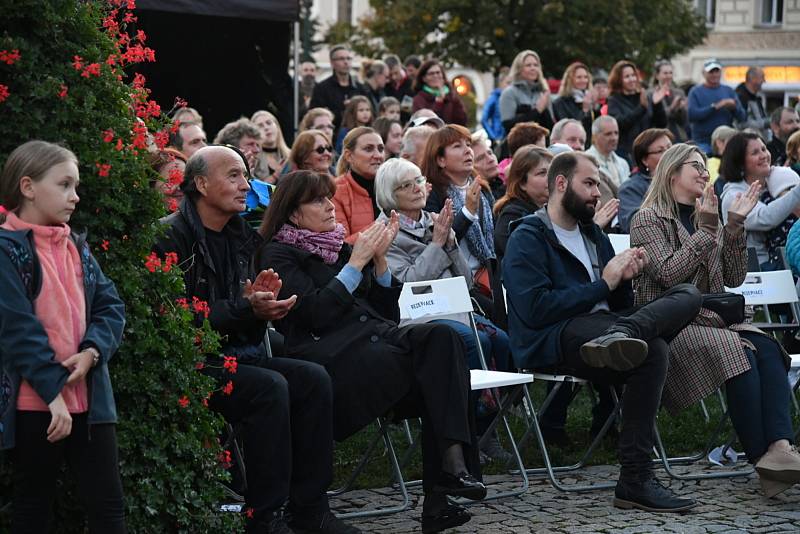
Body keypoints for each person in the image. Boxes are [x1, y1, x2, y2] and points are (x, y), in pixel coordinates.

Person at [254, 171, 486, 532]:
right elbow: (314, 315)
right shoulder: (279, 253)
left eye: (330, 198)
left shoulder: (336, 247)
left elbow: (388, 312)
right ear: (293, 214)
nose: (330, 207)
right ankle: (443, 490)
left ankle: (452, 470)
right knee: (438, 377)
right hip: (333, 359)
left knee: (444, 339)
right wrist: (355, 264)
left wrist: (379, 265)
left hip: (379, 347)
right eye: (318, 201)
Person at [152, 145, 357, 534]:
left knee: (312, 379)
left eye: (246, 174)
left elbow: (244, 320)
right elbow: (174, 321)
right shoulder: (167, 238)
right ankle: (265, 516)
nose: (246, 184)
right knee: (270, 387)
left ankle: (310, 507)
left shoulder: (242, 238)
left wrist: (263, 310)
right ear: (199, 184)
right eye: (234, 175)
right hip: (187, 365)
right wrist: (246, 309)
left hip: (236, 354)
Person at [503, 150, 702, 512]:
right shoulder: (528, 236)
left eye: (598, 184)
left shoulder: (592, 233)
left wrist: (627, 278)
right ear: (561, 184)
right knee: (652, 349)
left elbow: (615, 299)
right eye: (590, 183)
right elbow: (535, 311)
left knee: (689, 294)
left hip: (605, 328)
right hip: (555, 336)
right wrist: (604, 285)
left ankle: (623, 334)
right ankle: (636, 479)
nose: (598, 192)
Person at [630, 143, 800, 498]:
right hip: (669, 324)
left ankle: (781, 447)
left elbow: (733, 278)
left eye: (705, 166)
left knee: (768, 348)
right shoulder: (648, 218)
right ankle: (762, 457)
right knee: (740, 351)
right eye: (695, 166)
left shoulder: (702, 214)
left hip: (709, 320)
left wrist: (734, 227)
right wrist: (708, 232)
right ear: (672, 172)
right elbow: (666, 274)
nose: (705, 172)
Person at [0, 140, 127, 532]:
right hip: (34, 406)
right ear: (28, 187)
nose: (75, 197)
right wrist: (53, 394)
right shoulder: (7, 250)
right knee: (33, 509)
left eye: (76, 186)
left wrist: (92, 352)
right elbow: (18, 330)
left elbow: (111, 307)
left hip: (90, 403)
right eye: (65, 185)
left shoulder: (75, 245)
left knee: (109, 510)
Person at [374, 157, 513, 463]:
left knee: (501, 340)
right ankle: (466, 431)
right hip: (420, 318)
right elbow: (406, 285)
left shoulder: (436, 221)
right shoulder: (386, 233)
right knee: (477, 342)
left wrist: (449, 243)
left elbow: (465, 282)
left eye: (419, 181)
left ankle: (486, 428)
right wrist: (437, 245)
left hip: (454, 308)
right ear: (389, 193)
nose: (417, 188)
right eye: (406, 184)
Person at [421, 125, 497, 313]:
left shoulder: (482, 188)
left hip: (490, 278)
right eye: (457, 146)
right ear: (440, 159)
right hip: (457, 284)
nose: (467, 151)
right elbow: (438, 241)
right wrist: (468, 213)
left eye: (468, 144)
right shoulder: (431, 194)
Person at [719, 132, 800, 270]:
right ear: (740, 162)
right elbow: (766, 217)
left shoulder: (773, 181)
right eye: (755, 152)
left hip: (785, 260)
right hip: (759, 270)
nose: (764, 155)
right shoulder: (733, 195)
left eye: (764, 149)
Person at [493, 145, 554, 264]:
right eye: (542, 173)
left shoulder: (552, 210)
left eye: (552, 172)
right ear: (522, 183)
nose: (550, 178)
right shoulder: (511, 217)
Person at [606, 59, 667, 165]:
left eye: (633, 75)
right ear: (619, 80)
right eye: (627, 77)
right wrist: (641, 108)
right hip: (627, 153)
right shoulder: (614, 100)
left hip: (648, 151)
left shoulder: (644, 96)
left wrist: (658, 105)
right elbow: (620, 124)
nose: (632, 79)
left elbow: (661, 124)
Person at [332, 127, 386, 243]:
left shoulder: (393, 185)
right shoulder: (335, 191)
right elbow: (341, 246)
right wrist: (384, 222)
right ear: (349, 156)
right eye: (368, 149)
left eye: (381, 149)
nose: (378, 155)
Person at [618, 128, 674, 232]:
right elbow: (634, 224)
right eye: (661, 151)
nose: (669, 154)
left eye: (670, 148)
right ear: (644, 160)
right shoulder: (630, 189)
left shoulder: (683, 181)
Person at [687, 58, 746, 154]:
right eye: (711, 72)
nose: (714, 74)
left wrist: (734, 108)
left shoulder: (729, 90)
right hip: (703, 141)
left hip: (726, 141)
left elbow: (742, 117)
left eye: (717, 71)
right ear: (703, 73)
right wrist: (715, 106)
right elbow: (692, 115)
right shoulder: (695, 91)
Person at [309, 44, 367, 129]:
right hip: (331, 134)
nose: (346, 62)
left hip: (357, 134)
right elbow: (315, 115)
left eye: (348, 58)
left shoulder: (360, 88)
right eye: (341, 59)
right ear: (332, 63)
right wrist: (342, 109)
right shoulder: (322, 88)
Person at [500, 50, 555, 134]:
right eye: (528, 65)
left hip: (542, 144)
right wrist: (537, 111)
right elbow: (508, 126)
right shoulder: (509, 92)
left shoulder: (543, 93)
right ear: (519, 69)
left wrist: (544, 110)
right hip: (518, 144)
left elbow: (550, 127)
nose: (533, 68)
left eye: (536, 65)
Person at [586, 115, 630, 206]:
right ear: (594, 137)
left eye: (616, 133)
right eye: (608, 134)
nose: (614, 138)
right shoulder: (586, 160)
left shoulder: (623, 163)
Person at [411, 59, 468, 126]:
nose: (435, 76)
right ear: (424, 78)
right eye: (431, 73)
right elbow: (426, 123)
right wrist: (439, 102)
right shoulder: (419, 99)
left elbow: (462, 120)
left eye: (438, 72)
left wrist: (450, 99)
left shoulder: (451, 95)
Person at [553, 61, 597, 147]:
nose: (583, 80)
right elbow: (567, 128)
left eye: (585, 77)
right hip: (571, 146)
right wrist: (584, 110)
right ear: (570, 80)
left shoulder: (589, 99)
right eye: (579, 77)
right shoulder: (560, 102)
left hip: (589, 146)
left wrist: (596, 107)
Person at [649, 59, 688, 143]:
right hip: (658, 137)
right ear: (657, 75)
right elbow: (654, 117)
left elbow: (683, 121)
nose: (668, 76)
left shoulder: (679, 93)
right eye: (665, 73)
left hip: (678, 137)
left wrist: (681, 109)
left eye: (670, 73)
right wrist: (672, 107)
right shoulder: (651, 94)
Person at [252, 110, 290, 184]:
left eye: (269, 123)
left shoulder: (292, 155)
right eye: (260, 126)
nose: (266, 128)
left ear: (277, 126)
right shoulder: (252, 160)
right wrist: (275, 176)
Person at [734, 66, 771, 142]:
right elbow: (741, 123)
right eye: (762, 77)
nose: (764, 81)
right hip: (747, 142)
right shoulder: (740, 98)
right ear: (753, 79)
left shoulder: (755, 97)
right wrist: (766, 123)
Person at [471, 131, 504, 199]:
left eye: (490, 153)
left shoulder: (506, 184)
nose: (491, 159)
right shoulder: (477, 201)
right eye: (481, 158)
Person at [482, 70, 511, 146]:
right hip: (499, 140)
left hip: (511, 138)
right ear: (501, 83)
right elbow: (484, 119)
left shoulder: (513, 98)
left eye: (512, 83)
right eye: (508, 83)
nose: (510, 86)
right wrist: (494, 137)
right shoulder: (494, 98)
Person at [383, 54, 415, 122]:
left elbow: (408, 109)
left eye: (396, 73)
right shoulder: (386, 85)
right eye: (390, 75)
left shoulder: (411, 82)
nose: (393, 77)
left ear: (400, 66)